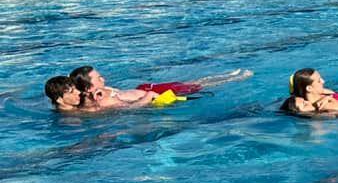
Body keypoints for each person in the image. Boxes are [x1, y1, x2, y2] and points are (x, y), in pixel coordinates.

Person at [70, 66, 253, 103]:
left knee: (191, 83)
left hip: (145, 88)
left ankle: (228, 74)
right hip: (151, 95)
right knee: (199, 87)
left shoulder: (101, 92)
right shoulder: (102, 101)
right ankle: (234, 78)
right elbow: (129, 109)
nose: (103, 79)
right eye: (98, 78)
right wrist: (149, 97)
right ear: (88, 87)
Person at [43, 75, 156, 112]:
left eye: (76, 89)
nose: (79, 93)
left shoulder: (79, 104)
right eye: (72, 92)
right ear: (59, 99)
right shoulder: (78, 115)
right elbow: (127, 109)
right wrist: (149, 96)